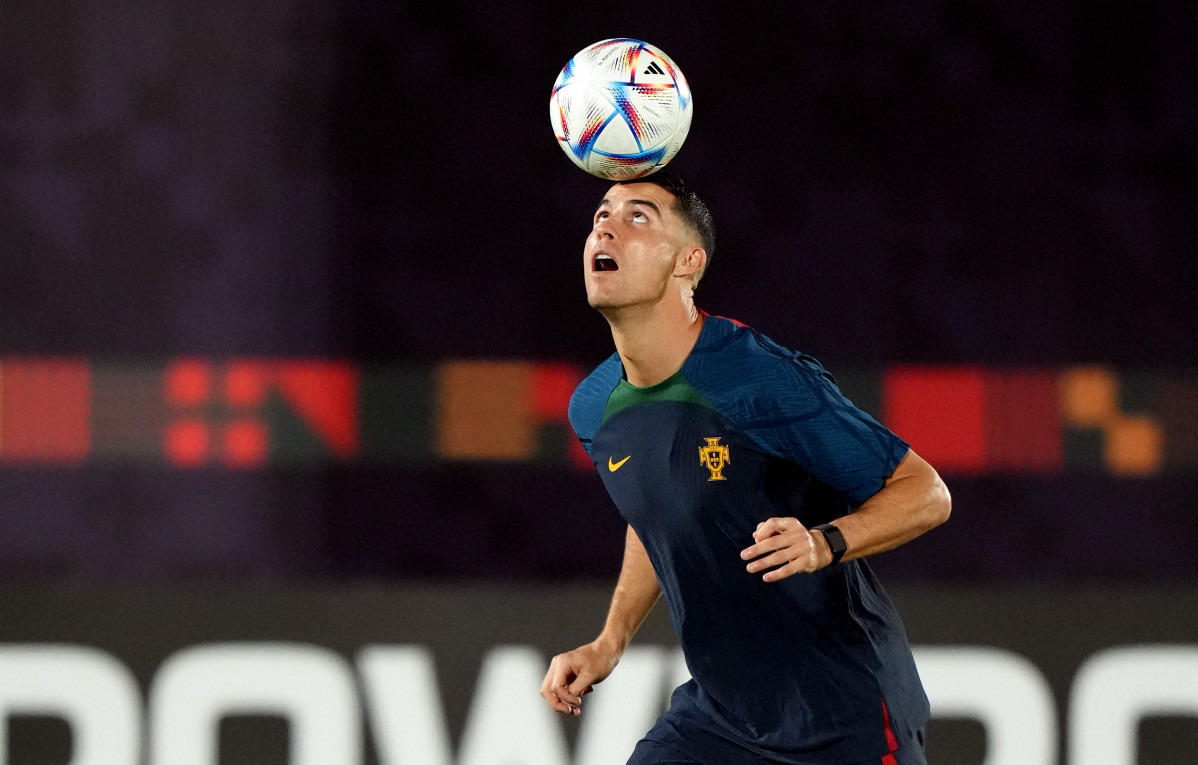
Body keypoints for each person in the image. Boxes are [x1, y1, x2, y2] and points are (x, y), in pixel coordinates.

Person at [539, 169, 952, 765]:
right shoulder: (595, 408)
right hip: (722, 718)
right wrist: (610, 641)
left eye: (638, 217)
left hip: (843, 714)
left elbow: (926, 492)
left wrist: (822, 543)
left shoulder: (760, 380)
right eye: (602, 213)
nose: (606, 224)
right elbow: (656, 509)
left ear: (688, 262)